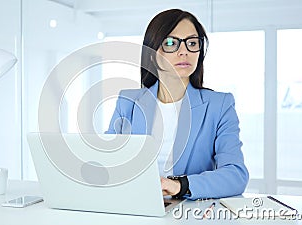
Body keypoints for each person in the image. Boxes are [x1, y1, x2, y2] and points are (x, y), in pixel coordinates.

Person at [106, 9, 249, 200]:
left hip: (187, 213)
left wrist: (178, 186)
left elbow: (236, 175)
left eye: (192, 43)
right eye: (171, 43)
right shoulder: (128, 102)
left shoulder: (219, 106)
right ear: (151, 53)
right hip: (133, 207)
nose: (184, 52)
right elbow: (108, 162)